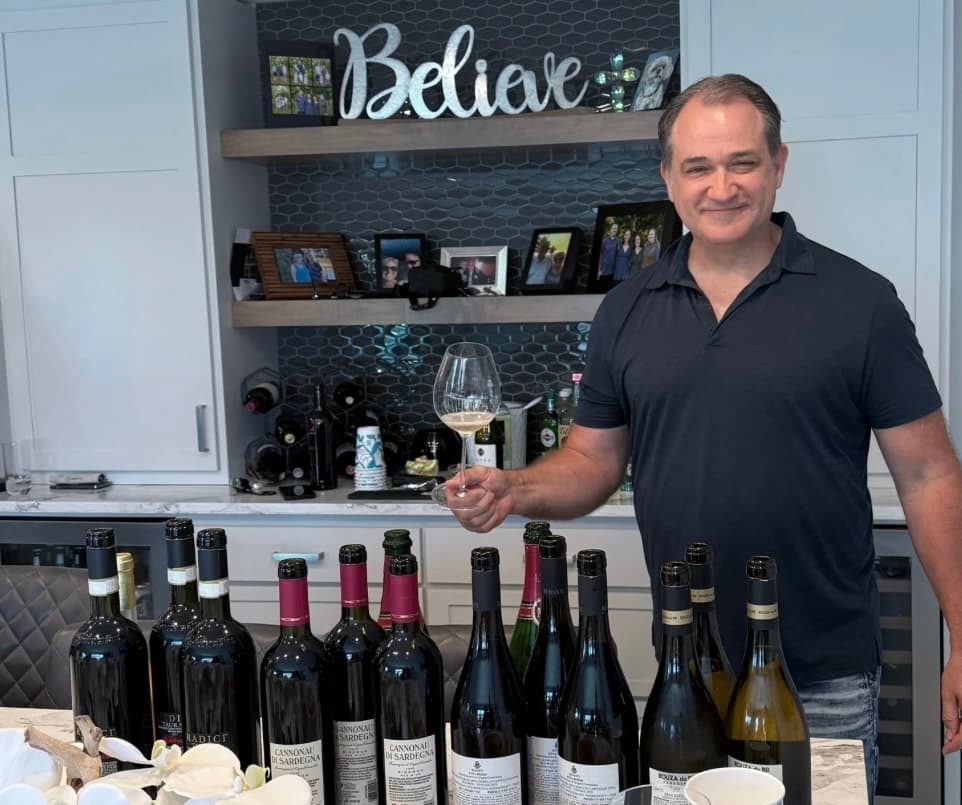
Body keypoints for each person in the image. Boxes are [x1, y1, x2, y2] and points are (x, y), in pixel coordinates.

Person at [446, 73, 962, 799]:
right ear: (668, 178)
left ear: (779, 165)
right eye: (698, 167)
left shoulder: (861, 303)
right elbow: (594, 459)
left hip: (825, 668)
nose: (722, 186)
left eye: (742, 162)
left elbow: (930, 475)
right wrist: (515, 486)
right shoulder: (626, 311)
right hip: (687, 669)